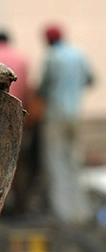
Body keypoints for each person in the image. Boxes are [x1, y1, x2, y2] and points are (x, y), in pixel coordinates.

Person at [0, 30, 40, 214]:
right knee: (18, 162)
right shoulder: (22, 59)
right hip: (17, 115)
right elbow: (28, 89)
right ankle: (21, 205)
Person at [37, 24, 94, 225]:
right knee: (74, 162)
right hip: (75, 114)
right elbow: (90, 79)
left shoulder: (53, 58)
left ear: (48, 40)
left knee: (57, 163)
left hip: (56, 116)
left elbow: (43, 87)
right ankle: (82, 211)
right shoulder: (78, 54)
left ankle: (64, 213)